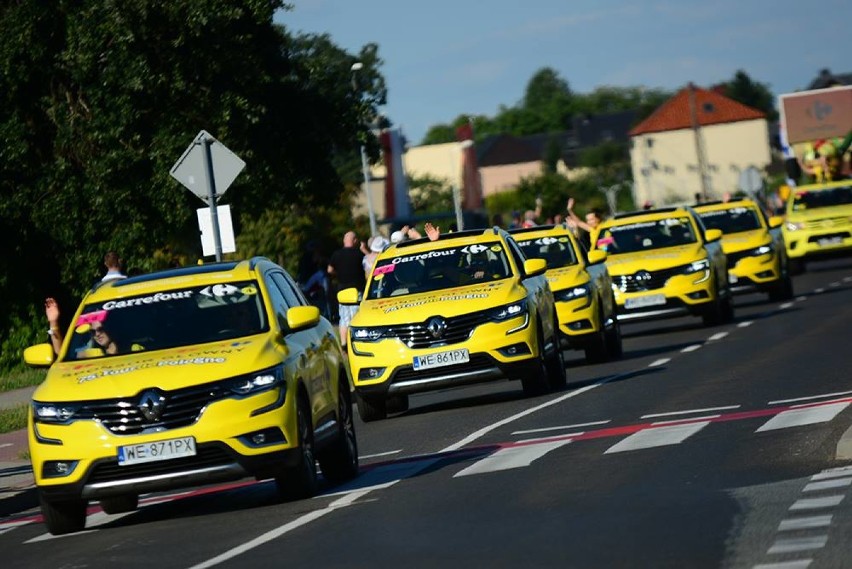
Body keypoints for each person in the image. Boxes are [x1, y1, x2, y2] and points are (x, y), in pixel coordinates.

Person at [327, 231, 367, 347]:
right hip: (357, 290)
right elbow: (368, 265)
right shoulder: (359, 254)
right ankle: (359, 342)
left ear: (344, 241)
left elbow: (329, 270)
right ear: (355, 241)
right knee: (357, 316)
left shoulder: (336, 254)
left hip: (342, 290)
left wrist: (338, 273)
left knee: (344, 318)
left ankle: (344, 343)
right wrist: (364, 249)